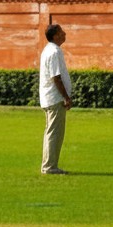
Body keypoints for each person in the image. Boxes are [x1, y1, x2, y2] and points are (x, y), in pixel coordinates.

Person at [39, 23, 73, 174]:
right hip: (55, 98)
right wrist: (66, 97)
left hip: (51, 98)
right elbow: (56, 77)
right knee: (54, 133)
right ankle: (50, 167)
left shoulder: (50, 50)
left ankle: (49, 165)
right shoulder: (54, 51)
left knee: (52, 132)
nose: (64, 33)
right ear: (55, 36)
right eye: (61, 32)